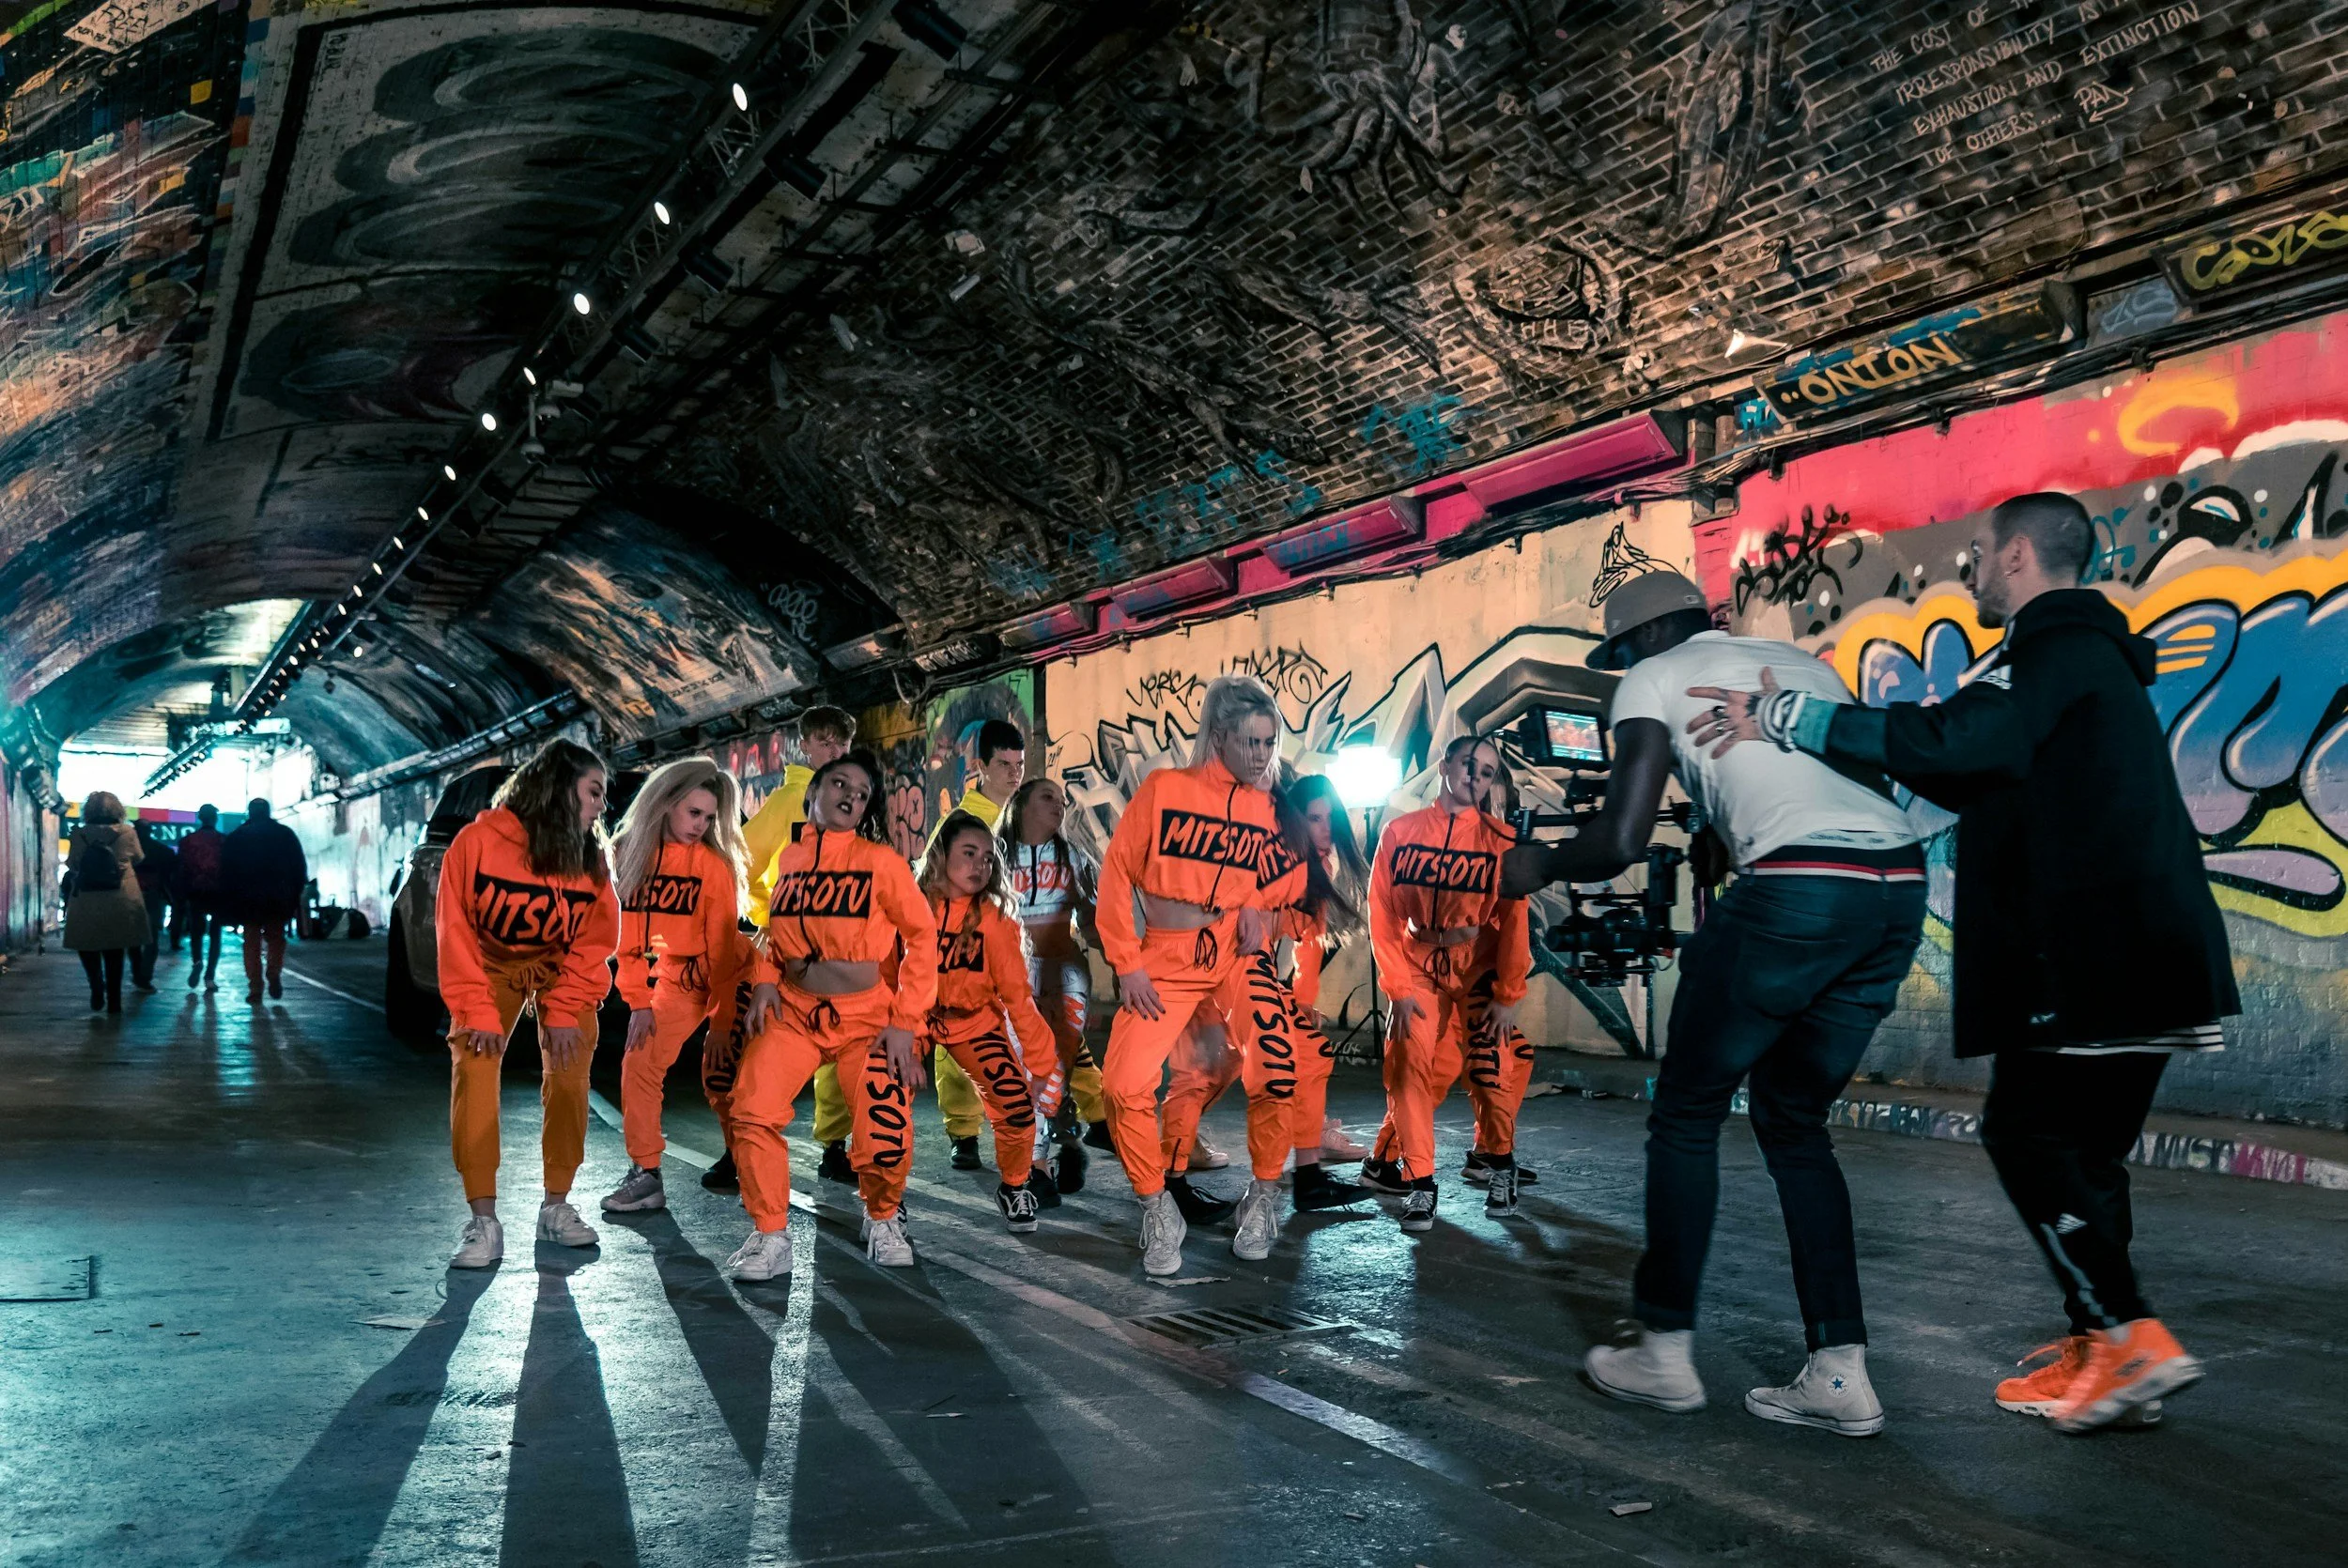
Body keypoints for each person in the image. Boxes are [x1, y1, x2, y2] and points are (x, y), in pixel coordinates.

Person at [1688, 494, 2232, 1435]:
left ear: (2017, 554)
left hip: (2087, 961)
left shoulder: (2049, 647)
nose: (1967, 571)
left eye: (1977, 554)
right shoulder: (2085, 659)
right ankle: (2105, 1353)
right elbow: (1957, 763)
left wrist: (1784, 715)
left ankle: (2124, 1334)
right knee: (2086, 1159)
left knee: (2024, 1134)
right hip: (2145, 955)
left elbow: (1957, 739)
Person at [1499, 566, 1930, 1437]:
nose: (1621, 672)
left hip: (1800, 886)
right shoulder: (1799, 663)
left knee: (1688, 1111)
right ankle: (1839, 1371)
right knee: (1794, 1121)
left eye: (1618, 657)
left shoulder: (1651, 680)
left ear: (1635, 645)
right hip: (1894, 886)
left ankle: (1662, 1352)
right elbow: (1830, 776)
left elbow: (1620, 839)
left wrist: (1537, 865)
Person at [1095, 675, 1292, 1276]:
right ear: (1220, 735)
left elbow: (1271, 873)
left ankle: (1262, 1196)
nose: (1261, 755)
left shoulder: (1266, 803)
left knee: (1279, 1062)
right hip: (1165, 958)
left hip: (1234, 952)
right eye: (1251, 742)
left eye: (1269, 743)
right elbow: (1116, 873)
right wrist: (1127, 963)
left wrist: (1257, 903)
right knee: (1122, 1085)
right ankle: (1157, 1206)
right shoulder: (1164, 789)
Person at [725, 750, 939, 1279]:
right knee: (751, 1107)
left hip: (867, 1019)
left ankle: (883, 1216)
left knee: (885, 1127)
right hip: (796, 1013)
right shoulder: (790, 862)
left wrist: (904, 1021)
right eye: (839, 783)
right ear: (811, 794)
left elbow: (922, 936)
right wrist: (767, 984)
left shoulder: (880, 862)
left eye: (861, 793)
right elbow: (775, 937)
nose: (850, 795)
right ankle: (771, 1235)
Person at [437, 740, 620, 1269]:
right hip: (489, 966)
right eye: (593, 792)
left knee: (569, 1072)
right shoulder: (477, 843)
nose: (600, 807)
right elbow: (455, 931)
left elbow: (594, 940)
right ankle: (483, 1221)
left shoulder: (589, 856)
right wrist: (476, 1008)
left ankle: (556, 1207)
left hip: (562, 969)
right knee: (474, 1067)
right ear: (559, 789)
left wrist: (562, 1009)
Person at [1358, 736, 1535, 1234]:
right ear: (1445, 765)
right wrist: (1396, 985)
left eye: (1486, 772)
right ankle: (1420, 1185)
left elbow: (1515, 922)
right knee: (1410, 1065)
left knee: (1493, 1064)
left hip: (1477, 964)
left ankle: (1499, 1165)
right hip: (1418, 963)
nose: (1475, 778)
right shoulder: (1401, 831)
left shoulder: (1501, 841)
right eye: (1467, 766)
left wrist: (1508, 995)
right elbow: (1382, 913)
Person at [1220, 774, 1374, 1259]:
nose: (1327, 828)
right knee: (1271, 1067)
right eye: (1315, 818)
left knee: (1312, 1053)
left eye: (1332, 818)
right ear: (1293, 819)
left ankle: (1307, 1179)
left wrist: (1303, 1002)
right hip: (1230, 969)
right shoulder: (1269, 855)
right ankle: (1253, 1192)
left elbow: (1308, 944)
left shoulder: (1317, 866)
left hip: (1263, 973)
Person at [599, 760, 750, 1216]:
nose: (701, 825)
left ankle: (743, 1159)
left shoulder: (712, 865)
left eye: (709, 817)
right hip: (677, 976)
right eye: (693, 813)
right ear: (665, 804)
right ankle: (646, 1175)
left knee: (724, 1077)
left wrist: (723, 1024)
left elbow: (724, 953)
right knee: (639, 1062)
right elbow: (624, 942)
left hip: (734, 974)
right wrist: (638, 1003)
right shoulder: (628, 853)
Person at [738, 708, 866, 1189]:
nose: (834, 752)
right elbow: (743, 861)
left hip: (843, 950)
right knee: (772, 1049)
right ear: (806, 746)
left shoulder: (856, 806)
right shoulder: (788, 801)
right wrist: (769, 919)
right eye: (825, 743)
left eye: (841, 744)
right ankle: (744, 1145)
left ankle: (834, 1148)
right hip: (791, 954)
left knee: (843, 1044)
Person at [919, 810, 1058, 1231]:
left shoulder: (996, 923)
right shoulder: (911, 905)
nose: (980, 865)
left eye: (987, 857)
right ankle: (882, 1208)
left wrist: (1039, 1062)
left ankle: (1015, 1186)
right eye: (969, 853)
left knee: (1017, 1109)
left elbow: (1018, 997)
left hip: (973, 1023)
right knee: (880, 1103)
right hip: (912, 1019)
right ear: (941, 855)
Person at [1000, 777, 1110, 1191]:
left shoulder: (1075, 857)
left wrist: (1124, 965)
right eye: (1048, 797)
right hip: (1011, 978)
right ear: (1021, 806)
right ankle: (1060, 1146)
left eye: (1063, 801)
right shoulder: (995, 856)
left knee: (1052, 1069)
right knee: (1025, 1069)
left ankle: (1039, 1165)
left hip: (1065, 974)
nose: (1058, 805)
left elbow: (1094, 920)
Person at [930, 717, 1029, 1172]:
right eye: (1004, 764)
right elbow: (929, 885)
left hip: (1015, 952)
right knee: (957, 1043)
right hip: (966, 952)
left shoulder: (1025, 820)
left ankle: (1035, 1135)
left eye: (1020, 764)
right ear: (980, 767)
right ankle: (963, 1133)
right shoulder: (960, 824)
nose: (1014, 773)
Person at [63, 792, 146, 1014]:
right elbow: (138, 857)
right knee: (115, 948)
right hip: (121, 895)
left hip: (87, 896)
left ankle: (96, 985)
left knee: (87, 944)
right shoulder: (128, 832)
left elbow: (72, 864)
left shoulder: (79, 833)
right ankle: (115, 1001)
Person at [222, 799, 307, 1005]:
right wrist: (294, 895)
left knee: (251, 942)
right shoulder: (285, 834)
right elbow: (298, 868)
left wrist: (230, 901)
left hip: (248, 899)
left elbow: (226, 872)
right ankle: (273, 971)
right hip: (278, 898)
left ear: (249, 813)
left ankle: (255, 988)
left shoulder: (237, 837)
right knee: (276, 938)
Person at [176, 804, 228, 992]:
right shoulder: (223, 841)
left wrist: (181, 894)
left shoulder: (187, 841)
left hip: (195, 891)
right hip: (218, 892)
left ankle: (197, 961)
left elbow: (181, 868)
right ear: (215, 818)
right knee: (216, 935)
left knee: (196, 932)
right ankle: (210, 977)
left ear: (200, 818)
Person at [130, 822, 176, 992]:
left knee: (132, 938)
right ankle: (145, 976)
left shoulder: (127, 851)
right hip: (154, 896)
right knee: (152, 938)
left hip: (130, 896)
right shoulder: (162, 851)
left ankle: (137, 973)